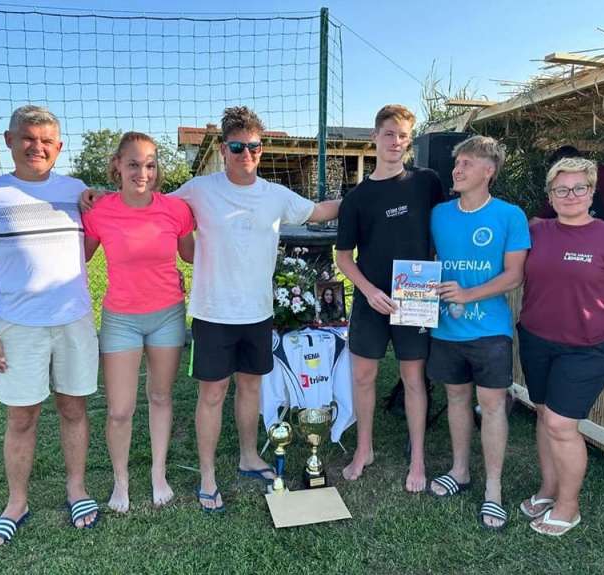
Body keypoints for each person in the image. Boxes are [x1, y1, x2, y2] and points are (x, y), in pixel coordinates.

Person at [174, 106, 340, 511]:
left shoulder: (275, 195)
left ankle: (249, 456)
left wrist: (366, 195)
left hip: (258, 314)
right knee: (212, 395)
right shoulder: (199, 188)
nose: (246, 154)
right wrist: (94, 201)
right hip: (213, 313)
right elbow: (161, 213)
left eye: (254, 146)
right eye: (237, 147)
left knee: (251, 387)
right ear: (223, 148)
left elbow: (317, 212)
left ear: (261, 149)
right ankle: (208, 475)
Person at [0, 105, 100, 550]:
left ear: (59, 147)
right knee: (22, 417)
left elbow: (88, 248)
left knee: (74, 410)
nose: (37, 147)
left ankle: (76, 490)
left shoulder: (76, 190)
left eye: (46, 141)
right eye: (28, 138)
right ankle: (16, 503)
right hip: (18, 327)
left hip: (74, 322)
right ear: (10, 141)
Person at [518, 157, 604, 536]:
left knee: (560, 423)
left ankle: (568, 506)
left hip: (590, 347)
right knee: (543, 414)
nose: (570, 195)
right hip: (536, 338)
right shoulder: (536, 232)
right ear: (550, 195)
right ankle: (548, 488)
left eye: (579, 188)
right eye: (561, 189)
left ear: (591, 192)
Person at [81, 132, 195, 513]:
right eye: (133, 164)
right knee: (119, 409)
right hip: (120, 319)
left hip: (168, 315)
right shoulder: (99, 212)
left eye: (149, 164)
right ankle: (121, 481)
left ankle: (158, 473)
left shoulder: (175, 210)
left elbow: (194, 255)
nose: (142, 172)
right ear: (117, 166)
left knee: (161, 397)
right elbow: (73, 258)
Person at [336, 104, 445, 492]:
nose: (395, 142)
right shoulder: (357, 198)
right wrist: (369, 291)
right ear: (375, 137)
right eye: (389, 134)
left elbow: (447, 224)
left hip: (414, 296)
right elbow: (344, 257)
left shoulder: (426, 182)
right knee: (362, 375)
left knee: (413, 377)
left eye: (402, 135)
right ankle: (364, 449)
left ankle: (418, 459)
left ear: (409, 141)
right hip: (372, 298)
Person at [427, 135, 530, 530]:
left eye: (467, 163)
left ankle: (494, 490)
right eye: (457, 163)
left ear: (488, 171)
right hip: (447, 329)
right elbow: (429, 262)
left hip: (490, 331)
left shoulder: (509, 215)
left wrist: (468, 293)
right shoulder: (439, 214)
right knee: (455, 399)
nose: (457, 169)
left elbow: (514, 276)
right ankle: (459, 471)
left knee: (491, 406)